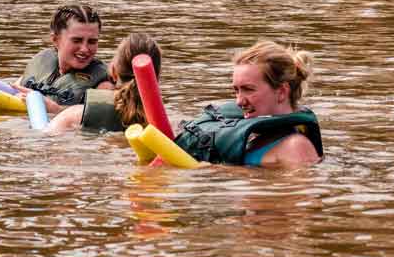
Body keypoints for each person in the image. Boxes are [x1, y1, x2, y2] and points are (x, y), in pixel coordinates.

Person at [174, 40, 323, 168]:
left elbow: (298, 199)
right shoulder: (249, 135)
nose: (239, 101)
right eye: (236, 90)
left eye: (248, 89)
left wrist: (214, 170)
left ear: (282, 92)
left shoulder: (296, 148)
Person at [44, 33, 161, 133]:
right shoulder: (160, 124)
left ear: (114, 72)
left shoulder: (73, 116)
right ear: (156, 78)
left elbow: (47, 142)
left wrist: (58, 110)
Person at [18, 4, 114, 113]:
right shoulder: (41, 65)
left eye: (92, 42)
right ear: (55, 40)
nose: (84, 49)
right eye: (77, 40)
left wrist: (56, 109)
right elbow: (12, 89)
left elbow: (99, 119)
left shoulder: (104, 86)